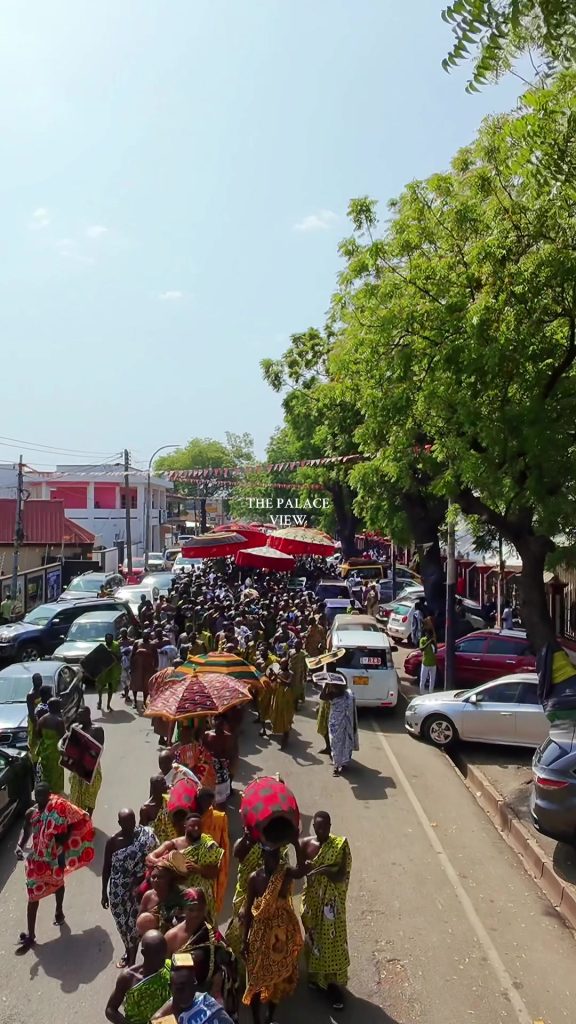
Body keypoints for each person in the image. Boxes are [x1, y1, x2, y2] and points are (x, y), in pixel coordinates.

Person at [15, 782, 95, 950]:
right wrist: (19, 847)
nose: (40, 799)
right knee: (33, 897)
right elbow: (26, 832)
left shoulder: (59, 809)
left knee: (58, 885)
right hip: (35, 861)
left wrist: (63, 839)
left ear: (49, 794)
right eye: (37, 796)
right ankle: (31, 934)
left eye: (43, 796)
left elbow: (77, 817)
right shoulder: (31, 813)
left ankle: (59, 911)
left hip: (54, 858)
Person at [242, 840, 306, 1024]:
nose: (274, 860)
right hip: (259, 932)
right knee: (255, 976)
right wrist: (244, 940)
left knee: (278, 979)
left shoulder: (285, 873)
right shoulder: (254, 878)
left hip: (280, 934)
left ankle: (270, 1015)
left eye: (276, 856)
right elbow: (248, 911)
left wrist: (295, 843)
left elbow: (302, 870)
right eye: (270, 856)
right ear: (263, 856)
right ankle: (256, 1019)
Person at [300, 811, 352, 1010]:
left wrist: (323, 870)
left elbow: (340, 875)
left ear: (330, 826)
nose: (320, 830)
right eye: (316, 826)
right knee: (313, 938)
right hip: (312, 900)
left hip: (331, 904)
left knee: (330, 942)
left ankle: (331, 984)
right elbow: (299, 871)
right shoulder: (305, 844)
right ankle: (315, 976)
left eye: (324, 827)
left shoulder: (340, 845)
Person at [164, 888, 238, 1016]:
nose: (196, 914)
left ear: (205, 909)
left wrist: (217, 984)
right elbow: (164, 970)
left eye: (200, 910)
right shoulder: (171, 937)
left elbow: (227, 957)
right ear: (183, 909)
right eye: (191, 910)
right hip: (181, 994)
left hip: (207, 990)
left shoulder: (210, 934)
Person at [102, 808, 158, 967]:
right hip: (117, 890)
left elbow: (153, 859)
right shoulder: (113, 842)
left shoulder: (143, 836)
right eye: (126, 823)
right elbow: (107, 868)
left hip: (138, 888)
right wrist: (104, 894)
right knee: (122, 924)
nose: (130, 825)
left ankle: (132, 961)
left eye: (132, 821)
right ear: (119, 823)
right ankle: (128, 949)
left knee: (133, 925)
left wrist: (144, 878)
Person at [147, 812, 223, 924]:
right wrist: (164, 862)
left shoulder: (208, 846)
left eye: (199, 826)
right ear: (185, 826)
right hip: (178, 895)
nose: (196, 829)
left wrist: (198, 869)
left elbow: (215, 872)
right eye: (192, 826)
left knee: (203, 926)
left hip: (201, 895)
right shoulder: (174, 844)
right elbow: (150, 857)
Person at [105, 929, 172, 1024]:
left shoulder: (169, 967)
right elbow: (110, 1010)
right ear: (144, 953)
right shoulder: (128, 978)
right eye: (157, 953)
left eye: (164, 952)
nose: (163, 957)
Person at [152, 958, 234, 1023]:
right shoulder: (162, 1019)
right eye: (180, 988)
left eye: (191, 986)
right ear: (170, 987)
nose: (187, 993)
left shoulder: (207, 1004)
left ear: (195, 984)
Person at [136, 850, 191, 936]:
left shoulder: (182, 896)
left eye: (160, 877)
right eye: (153, 877)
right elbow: (140, 920)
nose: (155, 880)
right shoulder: (149, 896)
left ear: (170, 879)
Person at [196, 787, 230, 916]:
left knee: (209, 906)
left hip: (211, 869)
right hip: (193, 869)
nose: (206, 805)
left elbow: (224, 846)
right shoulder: (193, 818)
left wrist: (222, 872)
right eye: (203, 802)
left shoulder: (219, 818)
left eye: (209, 802)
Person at [68, 706, 104, 816]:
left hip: (91, 768)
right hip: (76, 767)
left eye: (80, 715)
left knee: (90, 794)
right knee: (75, 795)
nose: (77, 717)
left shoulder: (97, 730)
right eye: (77, 715)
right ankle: (77, 818)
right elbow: (69, 745)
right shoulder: (75, 727)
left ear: (88, 715)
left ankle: (88, 819)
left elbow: (99, 749)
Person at [320, 674, 358, 776]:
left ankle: (342, 763)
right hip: (336, 724)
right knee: (336, 744)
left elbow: (352, 711)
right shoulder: (335, 694)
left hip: (345, 724)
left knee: (344, 743)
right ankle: (337, 765)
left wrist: (326, 686)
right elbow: (322, 697)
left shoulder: (348, 695)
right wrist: (326, 686)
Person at [36, 696, 65, 793]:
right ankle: (55, 796)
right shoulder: (59, 721)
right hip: (55, 753)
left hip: (44, 752)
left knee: (46, 774)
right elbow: (63, 737)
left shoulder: (42, 720)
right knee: (56, 777)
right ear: (56, 707)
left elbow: (38, 734)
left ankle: (46, 793)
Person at [203, 718, 234, 809]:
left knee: (218, 797)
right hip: (214, 769)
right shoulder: (207, 735)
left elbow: (230, 754)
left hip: (218, 770)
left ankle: (220, 816)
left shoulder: (227, 737)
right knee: (215, 796)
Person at [268, 659, 295, 750]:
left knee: (285, 716)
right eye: (281, 664)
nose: (282, 665)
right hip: (277, 695)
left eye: (284, 664)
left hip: (286, 696)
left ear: (287, 664)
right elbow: (273, 680)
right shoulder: (278, 672)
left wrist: (278, 677)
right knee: (276, 713)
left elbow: (288, 683)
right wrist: (272, 676)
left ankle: (285, 737)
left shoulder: (290, 673)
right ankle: (279, 732)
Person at [130, 631, 159, 711]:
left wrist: (156, 667)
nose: (145, 635)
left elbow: (156, 657)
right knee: (135, 684)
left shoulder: (152, 644)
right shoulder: (137, 642)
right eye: (144, 634)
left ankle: (144, 702)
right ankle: (135, 701)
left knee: (146, 685)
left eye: (147, 634)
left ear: (149, 635)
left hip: (148, 667)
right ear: (142, 634)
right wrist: (131, 667)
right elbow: (132, 655)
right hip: (137, 667)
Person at [140, 773, 170, 838]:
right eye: (163, 784)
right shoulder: (146, 809)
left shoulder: (168, 799)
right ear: (155, 788)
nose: (167, 786)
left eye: (165, 783)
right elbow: (145, 833)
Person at [98, 632, 122, 712]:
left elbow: (119, 658)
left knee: (110, 688)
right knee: (100, 687)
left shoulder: (116, 645)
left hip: (112, 670)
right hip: (103, 671)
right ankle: (100, 701)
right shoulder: (102, 646)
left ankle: (108, 704)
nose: (109, 640)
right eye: (107, 639)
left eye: (111, 639)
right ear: (105, 639)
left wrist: (111, 652)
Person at [26, 673, 44, 769]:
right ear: (33, 682)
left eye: (40, 679)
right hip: (35, 721)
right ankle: (35, 763)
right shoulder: (31, 695)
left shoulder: (43, 691)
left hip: (43, 719)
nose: (40, 682)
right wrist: (37, 725)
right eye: (37, 680)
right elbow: (31, 713)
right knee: (35, 742)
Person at [289, 638, 307, 706]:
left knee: (298, 689)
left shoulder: (303, 654)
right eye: (295, 645)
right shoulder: (290, 652)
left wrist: (305, 675)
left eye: (298, 645)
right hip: (291, 673)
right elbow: (287, 661)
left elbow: (305, 665)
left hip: (299, 675)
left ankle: (296, 703)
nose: (296, 647)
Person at [419, 627, 437, 694]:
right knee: (423, 679)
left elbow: (436, 651)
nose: (429, 636)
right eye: (428, 634)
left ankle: (431, 692)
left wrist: (434, 644)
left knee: (432, 680)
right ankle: (422, 692)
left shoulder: (433, 640)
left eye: (430, 634)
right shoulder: (423, 640)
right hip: (425, 663)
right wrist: (429, 642)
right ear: (426, 634)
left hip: (433, 663)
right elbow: (421, 649)